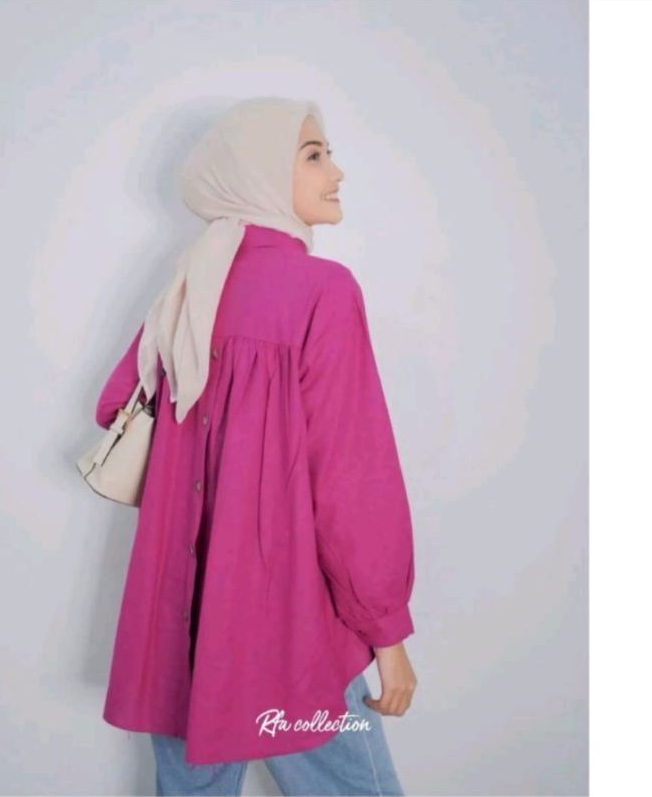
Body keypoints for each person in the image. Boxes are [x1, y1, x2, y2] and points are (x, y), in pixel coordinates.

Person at [93, 97, 417, 796]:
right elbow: (351, 480)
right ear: (259, 171)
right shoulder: (323, 291)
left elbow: (114, 405)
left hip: (181, 628)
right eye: (313, 155)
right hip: (289, 631)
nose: (336, 172)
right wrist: (387, 636)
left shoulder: (188, 286)